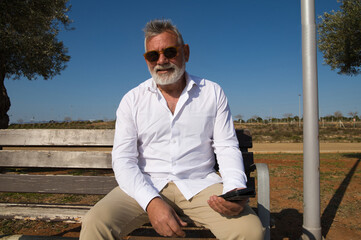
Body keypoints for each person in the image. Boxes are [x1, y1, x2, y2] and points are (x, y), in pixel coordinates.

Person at [80, 19, 264, 240]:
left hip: (201, 187)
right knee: (95, 224)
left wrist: (234, 190)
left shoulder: (212, 93)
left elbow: (226, 146)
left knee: (250, 231)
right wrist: (151, 202)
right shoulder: (132, 100)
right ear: (146, 60)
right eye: (153, 55)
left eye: (169, 51)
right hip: (145, 185)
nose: (162, 60)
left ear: (185, 52)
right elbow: (123, 160)